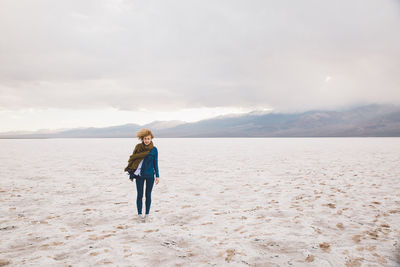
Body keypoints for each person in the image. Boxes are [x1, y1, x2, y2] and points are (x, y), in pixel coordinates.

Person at [124, 128, 160, 223]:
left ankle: (147, 215)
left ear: (151, 138)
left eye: (148, 138)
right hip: (139, 175)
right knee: (139, 195)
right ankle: (139, 215)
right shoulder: (138, 147)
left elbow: (155, 163)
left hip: (150, 176)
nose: (147, 140)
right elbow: (133, 161)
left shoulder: (154, 150)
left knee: (148, 195)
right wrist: (131, 175)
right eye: (145, 139)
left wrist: (157, 176)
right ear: (142, 139)